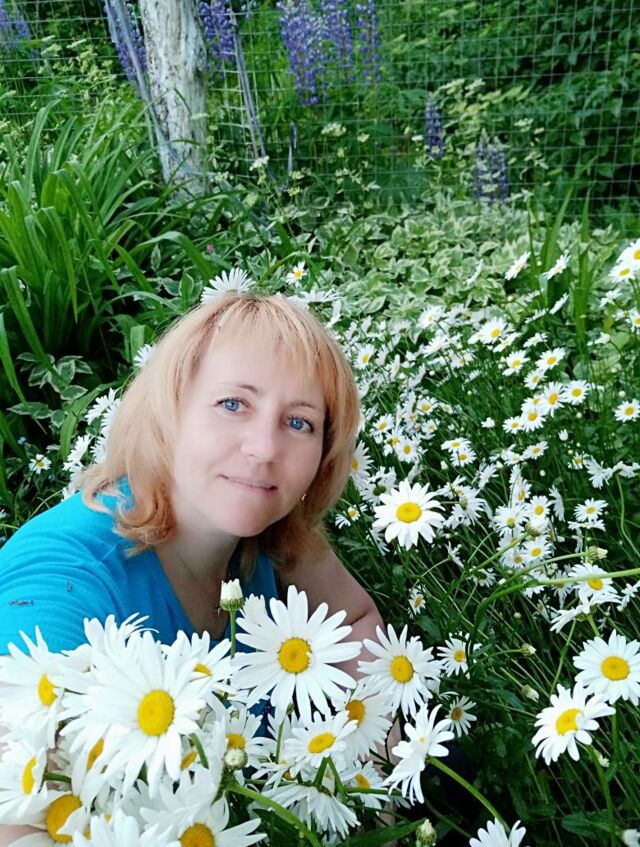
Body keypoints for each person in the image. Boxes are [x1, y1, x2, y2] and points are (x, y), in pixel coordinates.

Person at [0, 293, 384, 844]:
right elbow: (14, 808)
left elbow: (355, 621)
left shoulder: (271, 534)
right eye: (233, 404)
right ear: (168, 410)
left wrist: (377, 768)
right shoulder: (67, 571)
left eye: (299, 422)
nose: (264, 448)